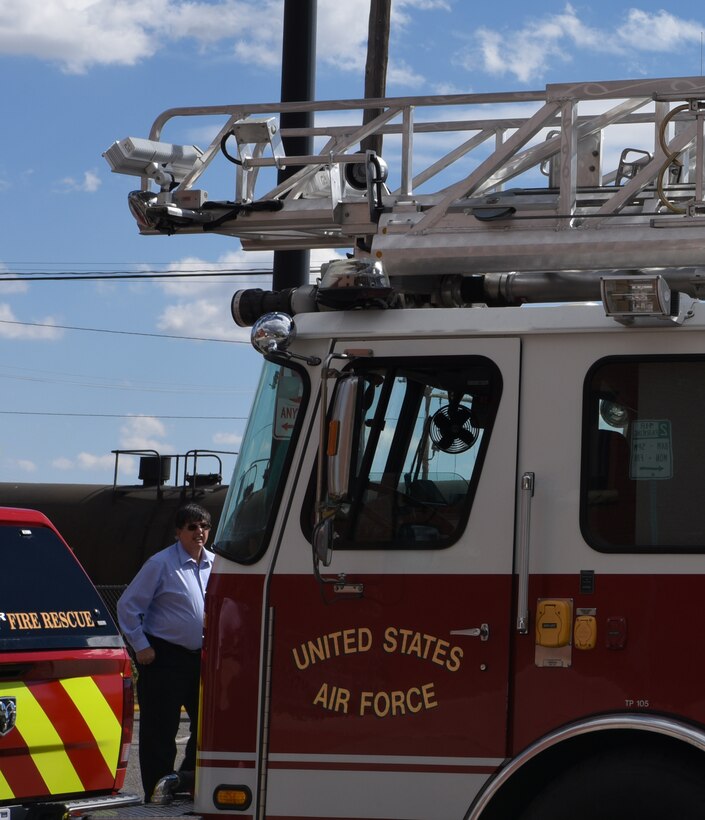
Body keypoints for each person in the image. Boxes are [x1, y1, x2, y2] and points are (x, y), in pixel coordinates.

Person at [117, 502, 214, 802]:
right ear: (178, 532)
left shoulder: (217, 563)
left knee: (205, 728)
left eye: (204, 526)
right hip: (165, 658)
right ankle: (157, 794)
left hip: (202, 658)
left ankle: (184, 783)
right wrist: (141, 646)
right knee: (160, 732)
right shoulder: (160, 564)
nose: (199, 532)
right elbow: (127, 606)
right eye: (192, 527)